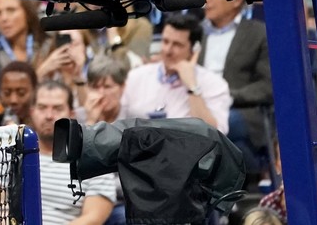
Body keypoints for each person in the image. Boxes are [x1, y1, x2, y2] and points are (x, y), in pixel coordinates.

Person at [199, 0, 273, 180]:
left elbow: (267, 86)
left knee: (207, 126)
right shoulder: (197, 33)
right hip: (197, 104)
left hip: (240, 110)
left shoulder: (258, 33)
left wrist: (228, 96)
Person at [120, 14, 232, 132]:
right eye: (165, 41)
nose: (168, 50)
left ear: (194, 49)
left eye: (177, 45)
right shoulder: (136, 76)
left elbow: (216, 135)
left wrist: (192, 87)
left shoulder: (214, 84)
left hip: (186, 148)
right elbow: (119, 124)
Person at [32, 80, 118, 225]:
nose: (49, 115)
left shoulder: (95, 161)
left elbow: (93, 219)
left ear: (72, 114)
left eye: (57, 108)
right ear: (31, 111)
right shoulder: (10, 154)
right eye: (42, 107)